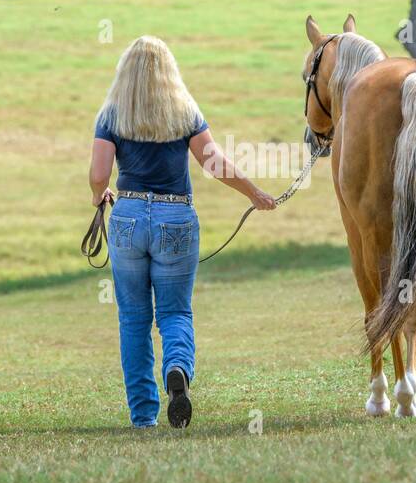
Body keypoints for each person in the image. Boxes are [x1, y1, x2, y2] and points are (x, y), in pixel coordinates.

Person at [88, 36, 277, 428]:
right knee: (174, 311)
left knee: (134, 319)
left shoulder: (111, 114)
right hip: (176, 218)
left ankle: (143, 417)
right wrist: (254, 192)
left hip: (127, 218)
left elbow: (98, 174)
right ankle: (177, 370)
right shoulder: (183, 111)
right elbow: (213, 162)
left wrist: (97, 196)